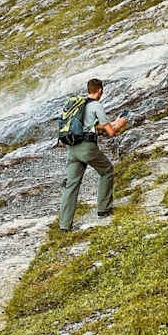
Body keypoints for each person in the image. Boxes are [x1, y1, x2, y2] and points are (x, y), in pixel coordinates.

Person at [58, 78, 128, 232]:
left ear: (88, 90)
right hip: (87, 148)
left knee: (71, 184)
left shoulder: (79, 105)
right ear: (100, 90)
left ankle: (64, 225)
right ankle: (104, 209)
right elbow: (111, 132)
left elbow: (92, 126)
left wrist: (108, 125)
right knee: (107, 170)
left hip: (73, 148)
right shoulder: (96, 105)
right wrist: (120, 124)